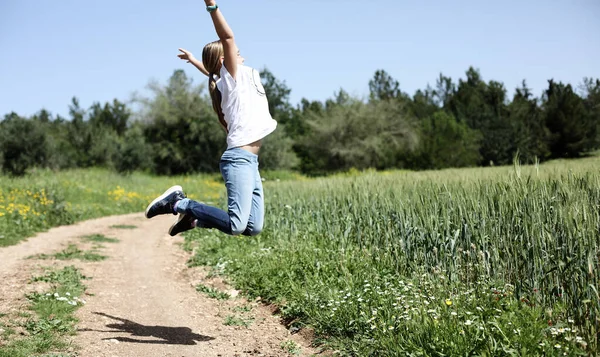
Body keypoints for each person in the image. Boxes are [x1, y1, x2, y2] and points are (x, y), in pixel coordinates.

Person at [144, 0, 277, 237]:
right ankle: (178, 203)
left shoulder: (228, 82)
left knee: (252, 228)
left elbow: (211, 73)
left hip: (251, 163)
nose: (239, 52)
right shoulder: (233, 76)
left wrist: (195, 61)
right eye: (236, 53)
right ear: (225, 61)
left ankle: (194, 220)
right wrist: (212, 6)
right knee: (236, 226)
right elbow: (227, 37)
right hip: (239, 159)